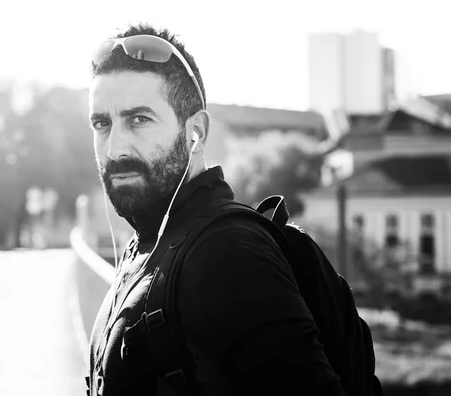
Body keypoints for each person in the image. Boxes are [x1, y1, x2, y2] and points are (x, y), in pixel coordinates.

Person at [86, 23, 347, 395]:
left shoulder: (228, 254)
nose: (115, 149)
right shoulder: (149, 242)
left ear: (197, 132)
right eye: (102, 124)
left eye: (139, 119)